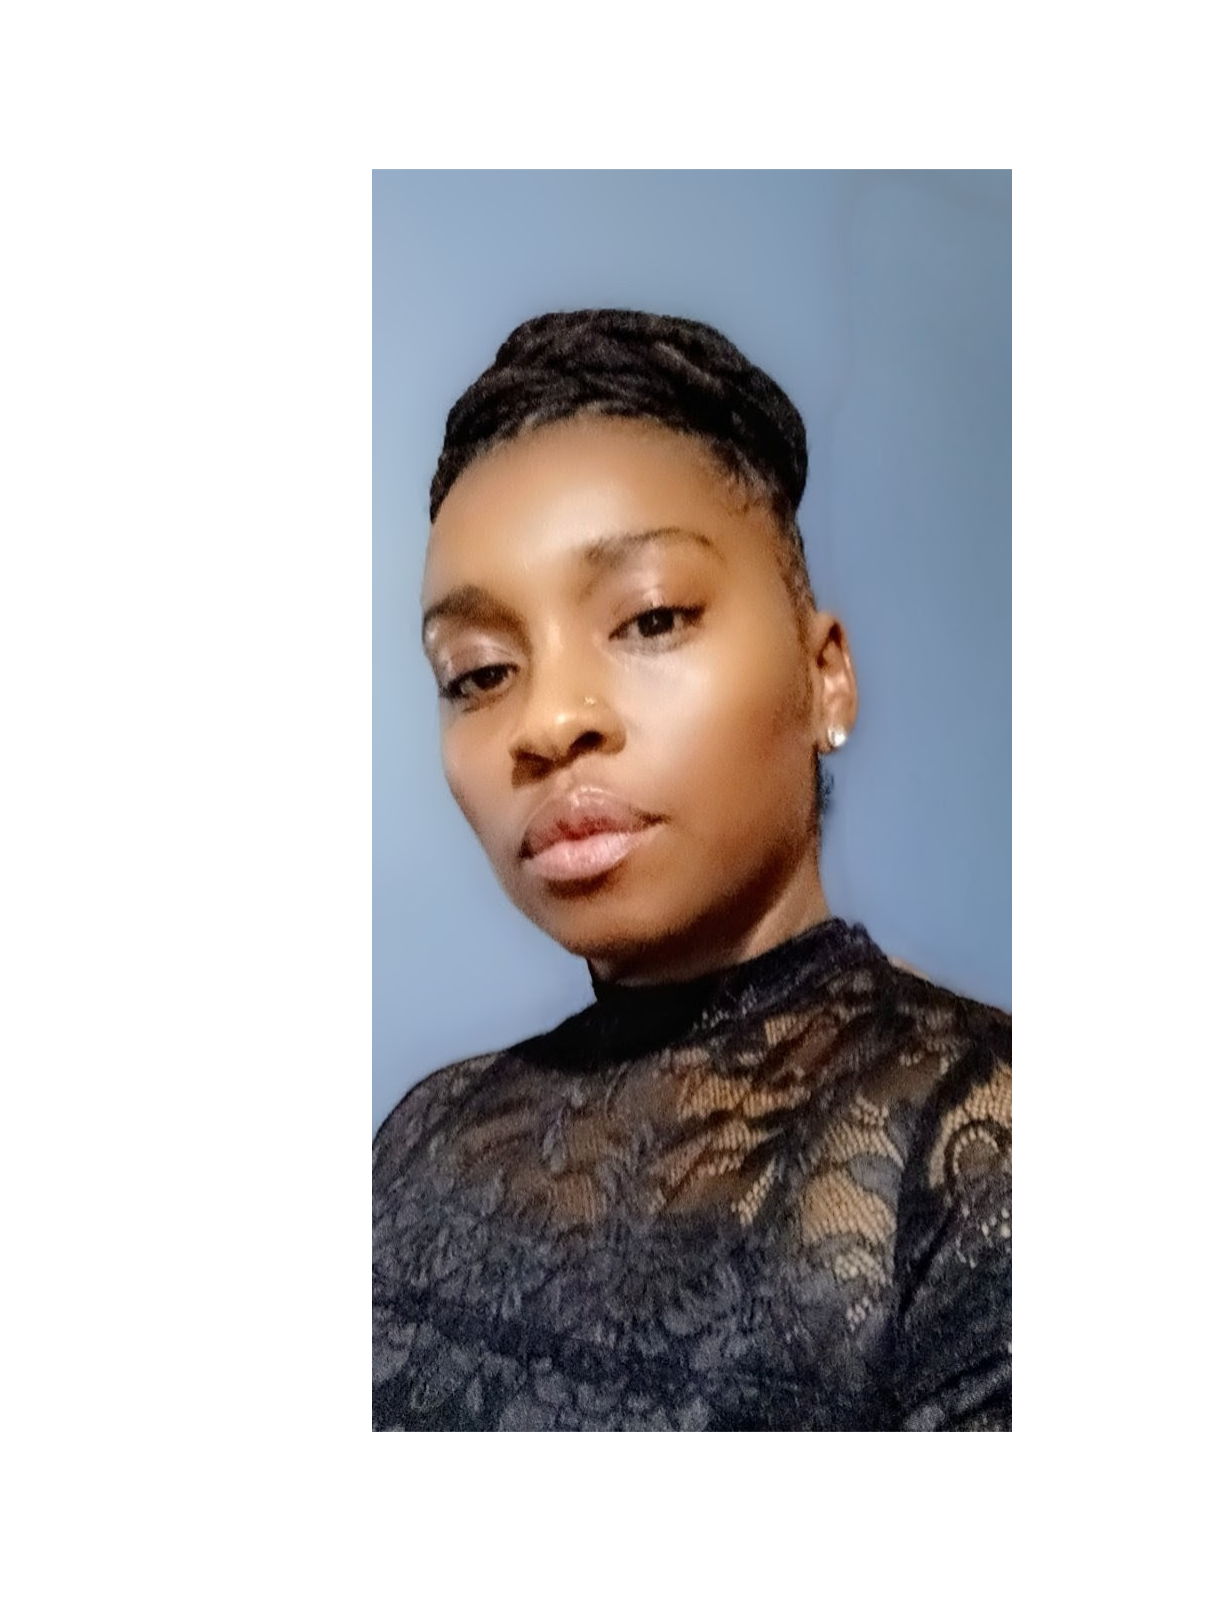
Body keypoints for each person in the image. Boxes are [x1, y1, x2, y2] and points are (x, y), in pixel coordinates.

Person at [371, 309, 1012, 1431]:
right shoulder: (426, 1130)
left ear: (825, 677)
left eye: (650, 617)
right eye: (478, 673)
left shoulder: (963, 1147)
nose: (548, 721)